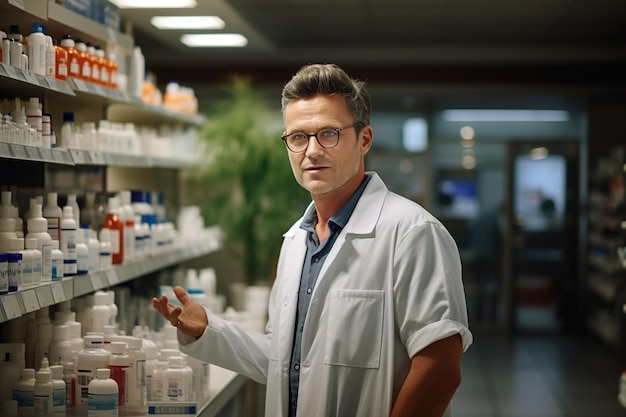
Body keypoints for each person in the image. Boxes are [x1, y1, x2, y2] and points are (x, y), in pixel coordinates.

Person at [153, 63, 473, 417]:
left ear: (364, 139)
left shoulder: (412, 232)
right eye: (298, 137)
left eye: (329, 134)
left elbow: (440, 368)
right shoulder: (295, 242)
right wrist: (211, 331)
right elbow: (284, 362)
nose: (312, 150)